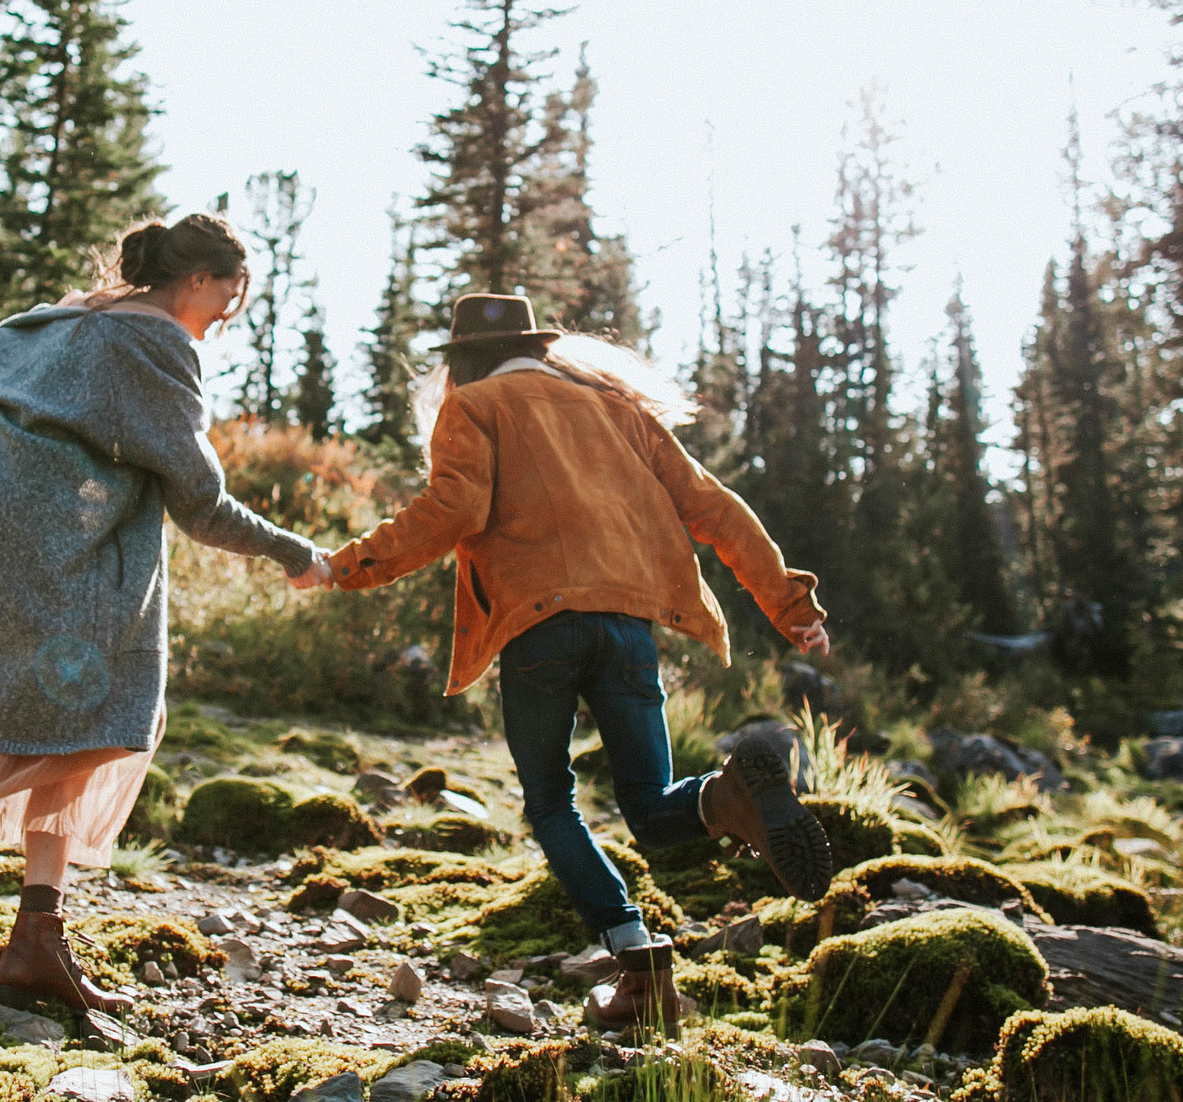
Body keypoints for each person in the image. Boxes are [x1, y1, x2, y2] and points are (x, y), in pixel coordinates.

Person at [298, 293, 834, 1038]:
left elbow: (450, 511)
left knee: (551, 801)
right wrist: (790, 604)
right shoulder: (616, 408)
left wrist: (344, 566)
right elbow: (713, 505)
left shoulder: (476, 406)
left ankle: (634, 952)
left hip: (540, 626)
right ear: (540, 347)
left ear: (463, 361)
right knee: (650, 804)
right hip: (629, 623)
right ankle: (726, 796)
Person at [0, 213, 326, 1014]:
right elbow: (199, 503)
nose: (228, 315)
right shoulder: (158, 346)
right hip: (68, 560)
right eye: (230, 296)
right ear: (197, 280)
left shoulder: (69, 316)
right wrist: (292, 550)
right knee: (113, 720)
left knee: (71, 720)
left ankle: (36, 940)